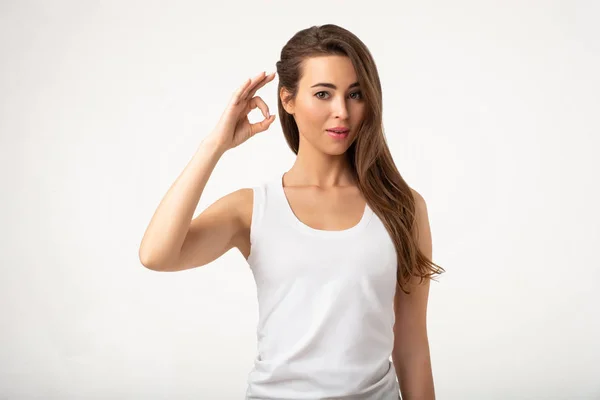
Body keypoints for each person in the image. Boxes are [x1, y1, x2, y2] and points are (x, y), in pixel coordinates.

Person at [139, 24, 444, 400]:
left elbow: (413, 349)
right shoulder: (251, 209)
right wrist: (214, 145)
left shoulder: (403, 207)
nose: (342, 112)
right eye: (322, 94)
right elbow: (156, 256)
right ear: (287, 100)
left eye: (355, 94)